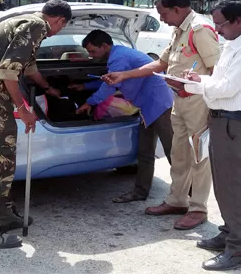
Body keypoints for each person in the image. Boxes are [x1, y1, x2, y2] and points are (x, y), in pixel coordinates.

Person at [103, 0, 220, 230]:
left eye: (164, 13)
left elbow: (218, 69)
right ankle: (177, 200)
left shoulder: (199, 29)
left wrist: (203, 91)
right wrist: (124, 75)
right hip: (177, 100)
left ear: (177, 9)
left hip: (198, 101)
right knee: (179, 154)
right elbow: (161, 63)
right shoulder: (179, 30)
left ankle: (198, 208)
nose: (162, 19)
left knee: (199, 157)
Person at [0, 0, 72, 249]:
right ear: (60, 20)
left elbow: (28, 65)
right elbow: (9, 72)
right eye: (61, 28)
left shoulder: (24, 22)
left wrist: (46, 88)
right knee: (2, 162)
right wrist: (24, 109)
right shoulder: (36, 26)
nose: (58, 32)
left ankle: (2, 212)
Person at [182, 0, 241, 271]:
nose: (217, 30)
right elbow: (219, 83)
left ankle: (239, 250)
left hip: (235, 122)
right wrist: (198, 81)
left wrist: (193, 88)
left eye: (220, 24)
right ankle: (230, 233)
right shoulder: (234, 43)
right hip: (222, 120)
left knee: (231, 187)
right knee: (221, 183)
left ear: (238, 21)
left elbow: (228, 88)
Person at [69, 29, 174, 203]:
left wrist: (89, 102)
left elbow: (110, 86)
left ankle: (189, 197)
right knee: (145, 151)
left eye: (93, 51)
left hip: (158, 104)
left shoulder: (118, 57)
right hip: (147, 106)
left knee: (173, 152)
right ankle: (140, 192)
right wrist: (84, 86)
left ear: (104, 46)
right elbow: (111, 80)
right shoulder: (118, 55)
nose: (91, 56)